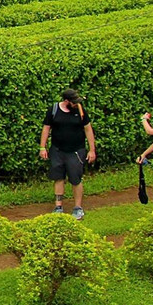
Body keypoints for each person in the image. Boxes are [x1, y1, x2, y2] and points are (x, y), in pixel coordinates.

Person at [39, 88, 96, 219]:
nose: (76, 104)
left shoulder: (80, 110)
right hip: (57, 150)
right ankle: (58, 206)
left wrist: (92, 150)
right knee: (58, 177)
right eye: (74, 101)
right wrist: (42, 147)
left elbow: (88, 129)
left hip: (76, 151)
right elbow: (46, 128)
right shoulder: (53, 110)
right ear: (66, 101)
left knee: (76, 179)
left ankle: (78, 207)